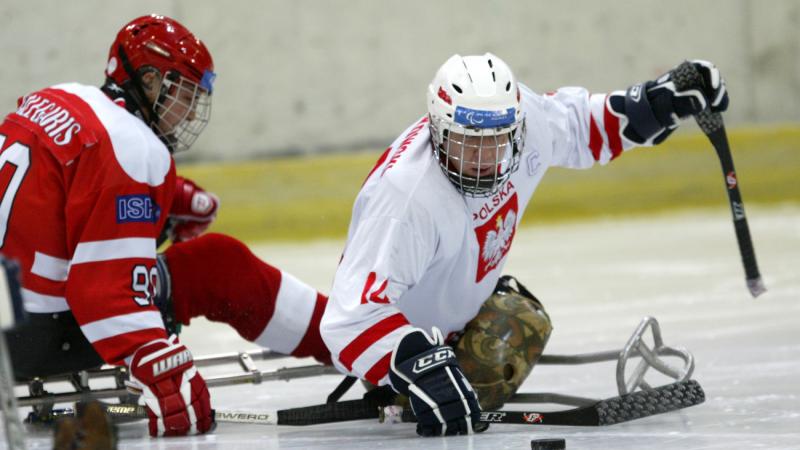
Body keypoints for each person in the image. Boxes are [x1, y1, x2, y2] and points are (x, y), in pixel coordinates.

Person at [318, 53, 728, 436]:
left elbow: (580, 127)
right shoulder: (406, 200)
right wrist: (419, 366)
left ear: (516, 129)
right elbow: (349, 319)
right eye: (466, 142)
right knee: (487, 362)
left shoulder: (526, 121)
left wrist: (660, 101)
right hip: (410, 345)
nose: (481, 159)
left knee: (521, 319)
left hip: (462, 306)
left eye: (495, 141)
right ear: (437, 130)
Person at [0, 14, 329, 438]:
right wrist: (154, 361)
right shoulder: (136, 148)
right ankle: (345, 337)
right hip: (31, 340)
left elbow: (63, 183)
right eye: (185, 93)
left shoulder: (59, 98)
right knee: (217, 264)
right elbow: (102, 291)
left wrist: (169, 195)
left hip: (7, 313)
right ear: (151, 82)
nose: (191, 110)